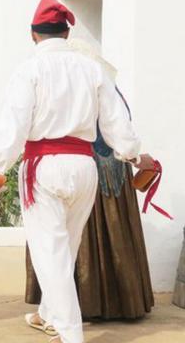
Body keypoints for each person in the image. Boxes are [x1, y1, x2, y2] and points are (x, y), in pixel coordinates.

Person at [0, 0, 155, 343]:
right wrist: (134, 155)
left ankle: (70, 333)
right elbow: (116, 122)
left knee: (48, 249)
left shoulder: (30, 70)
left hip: (44, 167)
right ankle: (49, 314)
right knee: (65, 245)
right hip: (85, 168)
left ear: (33, 34)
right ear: (67, 31)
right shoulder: (91, 68)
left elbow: (13, 126)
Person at [24, 37, 153, 320]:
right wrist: (134, 156)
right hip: (101, 171)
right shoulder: (105, 85)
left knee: (58, 243)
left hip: (76, 170)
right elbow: (120, 128)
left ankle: (66, 316)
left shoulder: (62, 84)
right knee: (66, 243)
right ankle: (67, 309)